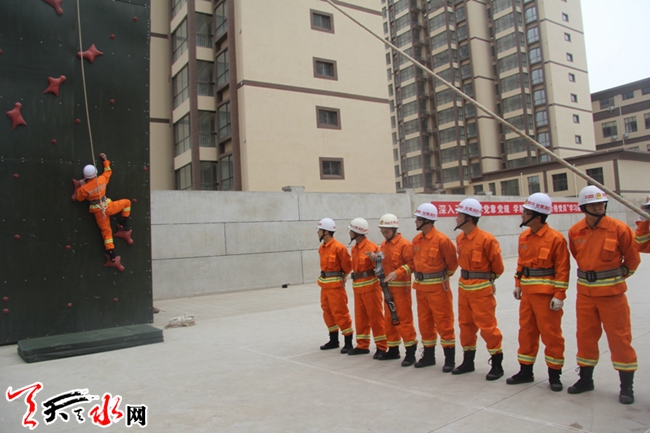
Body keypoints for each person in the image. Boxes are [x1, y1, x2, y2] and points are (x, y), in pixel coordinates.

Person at [567, 186, 640, 404]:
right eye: (593, 204)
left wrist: (616, 277)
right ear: (583, 207)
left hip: (612, 295)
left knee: (619, 338)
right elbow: (577, 256)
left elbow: (633, 260)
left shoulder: (619, 229)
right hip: (585, 295)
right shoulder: (575, 231)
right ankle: (585, 379)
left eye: (601, 204)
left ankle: (626, 386)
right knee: (585, 337)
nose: (599, 208)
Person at [507, 193, 570, 391]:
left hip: (546, 297)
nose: (522, 215)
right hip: (527, 295)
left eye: (526, 212)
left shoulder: (555, 239)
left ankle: (554, 375)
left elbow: (563, 270)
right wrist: (518, 283)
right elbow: (521, 263)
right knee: (526, 332)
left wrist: (559, 295)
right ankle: (525, 371)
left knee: (551, 335)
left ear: (538, 216)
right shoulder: (524, 237)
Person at [451, 198, 506, 381]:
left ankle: (497, 364)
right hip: (464, 288)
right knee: (465, 325)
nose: (456, 218)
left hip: (481, 291)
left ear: (469, 218)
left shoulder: (487, 239)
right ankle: (468, 362)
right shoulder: (460, 238)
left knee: (488, 327)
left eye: (459, 215)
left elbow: (498, 267)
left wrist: (489, 280)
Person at [410, 203, 458, 372]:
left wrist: (442, 278)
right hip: (421, 289)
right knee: (425, 323)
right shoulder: (416, 240)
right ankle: (429, 356)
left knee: (444, 322)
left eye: (418, 219)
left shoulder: (442, 240)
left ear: (427, 220)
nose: (415, 221)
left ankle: (449, 359)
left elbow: (452, 264)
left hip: (438, 289)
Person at [73, 153, 132, 267]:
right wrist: (105, 161)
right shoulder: (102, 179)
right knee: (127, 203)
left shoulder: (84, 189)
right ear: (95, 173)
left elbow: (79, 198)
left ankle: (112, 255)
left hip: (98, 211)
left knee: (106, 232)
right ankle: (123, 224)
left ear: (85, 176)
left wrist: (81, 185)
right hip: (108, 206)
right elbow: (108, 171)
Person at [376, 213, 418, 366]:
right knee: (389, 320)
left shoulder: (405, 245)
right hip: (387, 290)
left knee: (404, 320)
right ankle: (393, 350)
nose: (384, 234)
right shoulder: (384, 245)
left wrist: (397, 273)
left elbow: (412, 265)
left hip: (401, 291)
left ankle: (410, 353)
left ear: (394, 229)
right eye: (382, 231)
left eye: (386, 231)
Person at [346, 218, 388, 358]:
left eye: (351, 231)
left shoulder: (371, 247)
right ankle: (362, 345)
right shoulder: (355, 249)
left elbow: (381, 265)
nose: (349, 233)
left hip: (371, 288)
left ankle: (382, 346)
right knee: (360, 318)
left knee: (376, 318)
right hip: (358, 288)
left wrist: (375, 258)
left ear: (357, 232)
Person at [316, 218, 354, 354]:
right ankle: (333, 340)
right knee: (327, 312)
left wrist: (343, 276)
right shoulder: (322, 248)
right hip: (325, 286)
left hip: (336, 287)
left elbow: (347, 266)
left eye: (319, 230)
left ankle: (348, 342)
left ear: (326, 232)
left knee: (340, 313)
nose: (318, 232)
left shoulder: (339, 247)